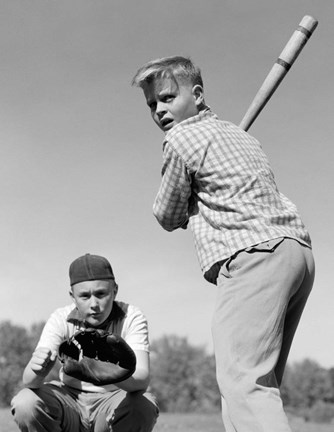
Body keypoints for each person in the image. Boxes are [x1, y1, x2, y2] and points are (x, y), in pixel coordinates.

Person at [132, 56, 315, 432]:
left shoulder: (181, 138)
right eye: (152, 104)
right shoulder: (241, 135)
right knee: (251, 388)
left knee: (244, 384)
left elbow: (166, 215)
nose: (159, 110)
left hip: (253, 258)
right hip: (296, 253)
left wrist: (187, 204)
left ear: (197, 95)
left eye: (167, 98)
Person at [11, 253, 159, 432]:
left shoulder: (132, 316)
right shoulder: (60, 318)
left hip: (112, 400)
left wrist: (105, 372)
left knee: (143, 406)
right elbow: (29, 382)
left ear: (115, 291)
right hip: (70, 400)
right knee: (25, 403)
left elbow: (142, 379)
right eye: (84, 296)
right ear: (72, 296)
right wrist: (37, 371)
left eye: (101, 294)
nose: (94, 304)